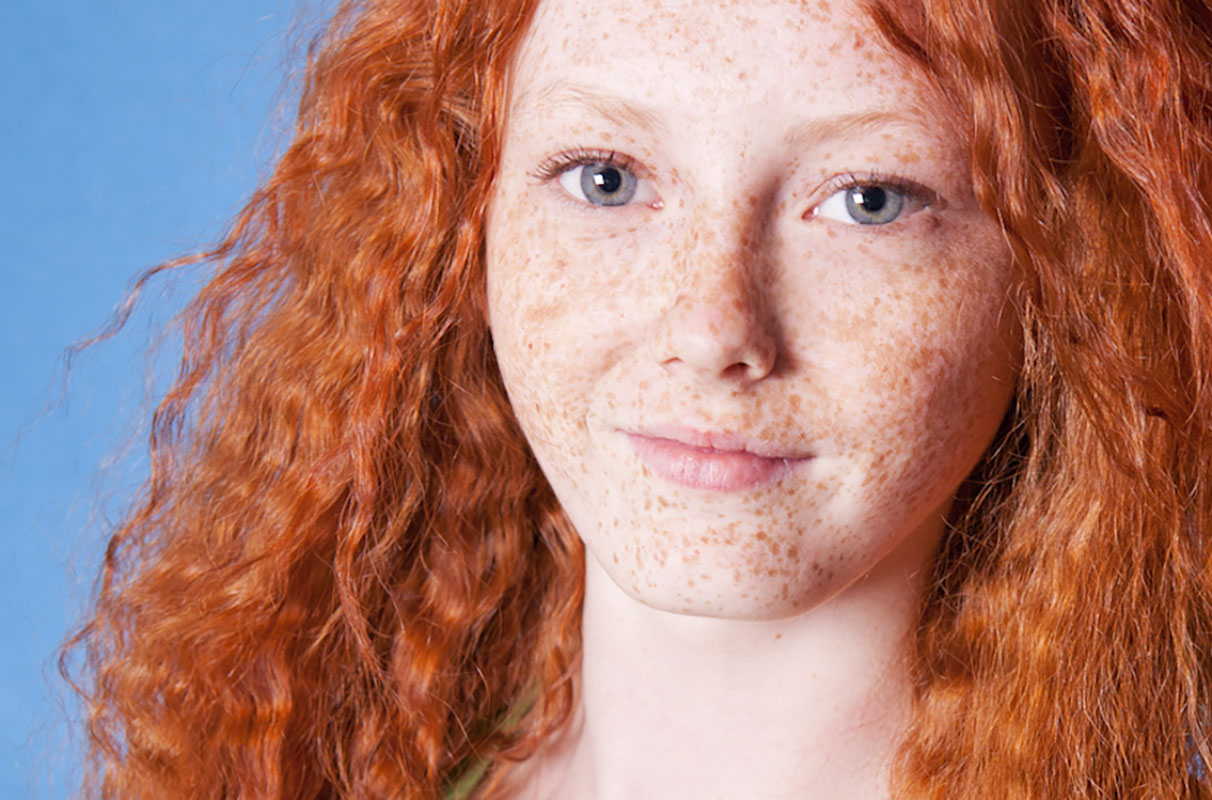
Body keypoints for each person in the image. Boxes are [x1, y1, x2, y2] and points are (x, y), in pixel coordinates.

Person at [62, 0, 1212, 797]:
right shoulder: (320, 765)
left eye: (869, 198)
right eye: (605, 178)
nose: (713, 328)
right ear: (466, 217)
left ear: (1069, 275)